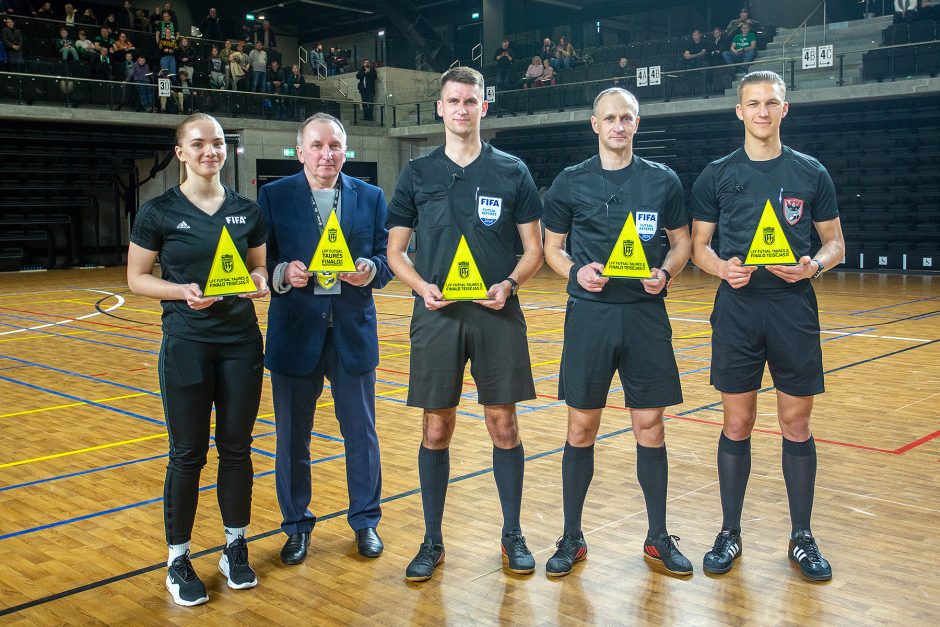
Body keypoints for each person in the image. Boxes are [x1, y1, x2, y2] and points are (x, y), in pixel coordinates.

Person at [386, 66, 544, 582]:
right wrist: (422, 287)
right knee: (437, 427)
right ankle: (432, 540)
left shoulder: (512, 170)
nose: (461, 109)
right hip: (436, 316)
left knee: (503, 424)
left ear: (483, 107)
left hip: (496, 313)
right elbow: (395, 252)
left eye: (470, 101)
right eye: (453, 101)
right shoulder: (417, 172)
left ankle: (512, 533)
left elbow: (534, 249)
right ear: (440, 108)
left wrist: (511, 284)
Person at [689, 71, 844, 582]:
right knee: (737, 423)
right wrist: (720, 268)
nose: (761, 111)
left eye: (770, 103)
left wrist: (812, 267)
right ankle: (729, 532)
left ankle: (802, 536)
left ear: (784, 109)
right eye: (752, 103)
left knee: (795, 424)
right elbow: (698, 246)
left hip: (793, 306)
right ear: (739, 111)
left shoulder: (810, 171)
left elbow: (835, 243)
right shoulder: (717, 174)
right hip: (737, 308)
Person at [541, 87, 693, 578]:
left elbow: (682, 243)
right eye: (610, 118)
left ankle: (657, 537)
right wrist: (575, 273)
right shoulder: (569, 182)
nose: (618, 126)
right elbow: (553, 247)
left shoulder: (662, 181)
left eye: (627, 118)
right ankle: (571, 537)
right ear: (594, 124)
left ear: (637, 124)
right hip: (589, 316)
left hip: (645, 317)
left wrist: (666, 273)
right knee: (581, 427)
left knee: (650, 427)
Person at [126, 113, 269, 606]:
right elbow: (137, 279)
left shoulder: (248, 211)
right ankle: (178, 557)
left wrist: (260, 282)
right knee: (187, 453)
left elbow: (256, 267)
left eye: (218, 143)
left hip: (242, 344)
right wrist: (180, 291)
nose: (211, 150)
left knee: (237, 447)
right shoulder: (157, 211)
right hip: (186, 343)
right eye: (198, 143)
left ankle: (234, 546)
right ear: (180, 152)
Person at [258, 113, 393, 565]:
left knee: (362, 436)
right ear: (300, 151)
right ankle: (296, 527)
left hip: (351, 333)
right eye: (317, 146)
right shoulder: (273, 196)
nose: (326, 154)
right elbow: (261, 261)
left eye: (335, 146)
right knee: (292, 439)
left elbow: (388, 259)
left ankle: (366, 522)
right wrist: (282, 273)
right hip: (296, 333)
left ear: (346, 150)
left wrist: (371, 269)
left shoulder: (371, 196)